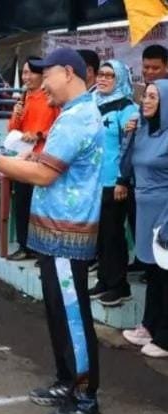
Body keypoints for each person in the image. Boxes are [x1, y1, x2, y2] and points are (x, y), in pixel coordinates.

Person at [0, 48, 104, 414]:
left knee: (72, 317)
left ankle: (87, 399)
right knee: (59, 314)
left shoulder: (78, 119)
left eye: (47, 74)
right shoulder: (70, 115)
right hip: (55, 234)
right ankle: (67, 381)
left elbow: (43, 175)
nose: (41, 83)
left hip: (66, 235)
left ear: (70, 74)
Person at [120, 80, 168, 358]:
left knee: (165, 273)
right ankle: (149, 325)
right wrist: (129, 137)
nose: (146, 101)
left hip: (164, 210)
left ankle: (165, 335)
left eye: (153, 97)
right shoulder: (143, 130)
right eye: (145, 96)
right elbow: (126, 167)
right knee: (152, 271)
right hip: (144, 209)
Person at [88, 60, 138, 306]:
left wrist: (122, 180)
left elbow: (129, 147)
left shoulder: (127, 107)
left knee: (114, 235)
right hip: (94, 182)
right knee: (100, 235)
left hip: (114, 182)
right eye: (100, 74)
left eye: (109, 75)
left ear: (119, 79)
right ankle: (104, 280)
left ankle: (120, 286)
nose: (103, 78)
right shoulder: (92, 102)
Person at [7, 57, 61, 262]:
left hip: (43, 158)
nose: (26, 77)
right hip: (23, 157)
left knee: (40, 206)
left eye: (30, 73)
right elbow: (12, 129)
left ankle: (42, 249)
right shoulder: (23, 98)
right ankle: (24, 245)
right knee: (21, 202)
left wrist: (39, 135)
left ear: (42, 75)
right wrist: (16, 114)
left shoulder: (51, 98)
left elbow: (58, 127)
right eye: (24, 73)